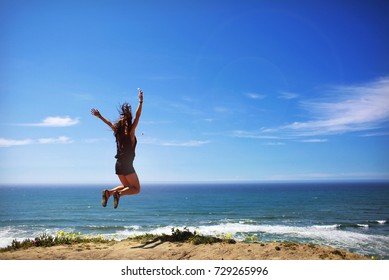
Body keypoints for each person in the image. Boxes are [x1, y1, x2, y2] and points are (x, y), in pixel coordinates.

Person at [91, 89, 143, 209]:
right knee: (136, 189)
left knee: (126, 186)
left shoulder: (117, 132)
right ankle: (118, 194)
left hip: (118, 165)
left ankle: (108, 193)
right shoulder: (130, 132)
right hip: (127, 164)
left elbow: (109, 123)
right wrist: (141, 101)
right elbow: (138, 116)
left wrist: (99, 116)